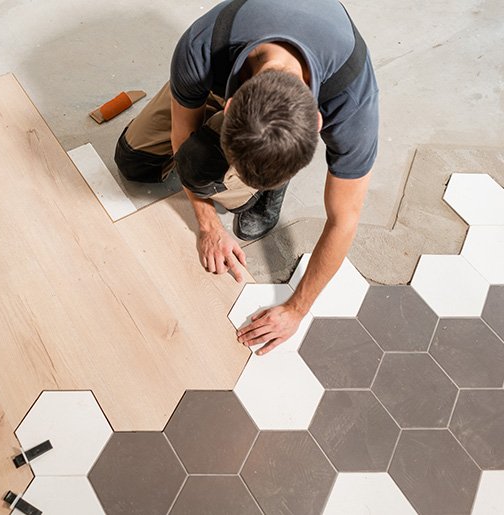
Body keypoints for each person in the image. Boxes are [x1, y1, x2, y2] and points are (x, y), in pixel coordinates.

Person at [114, 0, 379, 356]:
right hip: (220, 73)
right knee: (135, 163)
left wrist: (296, 309)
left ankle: (274, 167)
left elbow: (344, 219)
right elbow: (183, 136)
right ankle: (254, 154)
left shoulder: (351, 103)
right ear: (229, 103)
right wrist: (208, 224)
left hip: (291, 73)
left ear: (318, 122)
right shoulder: (201, 47)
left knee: (213, 171)